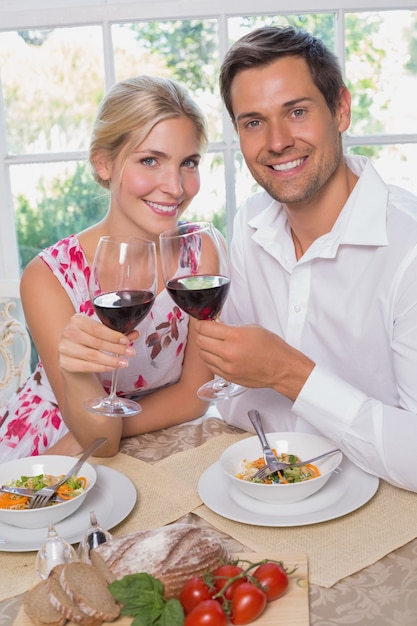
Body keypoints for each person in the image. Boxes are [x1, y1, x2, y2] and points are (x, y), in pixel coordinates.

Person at [195, 25, 417, 492]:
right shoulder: (250, 222)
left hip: (387, 506)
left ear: (341, 109)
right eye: (253, 122)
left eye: (296, 112)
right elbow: (233, 396)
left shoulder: (408, 248)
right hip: (264, 487)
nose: (276, 142)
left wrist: (288, 372)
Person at [0, 75, 212, 459]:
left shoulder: (201, 254)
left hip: (137, 439)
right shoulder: (48, 278)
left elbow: (193, 398)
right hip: (54, 445)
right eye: (150, 160)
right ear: (104, 163)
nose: (176, 187)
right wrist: (94, 432)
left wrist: (112, 427)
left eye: (188, 163)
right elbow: (96, 437)